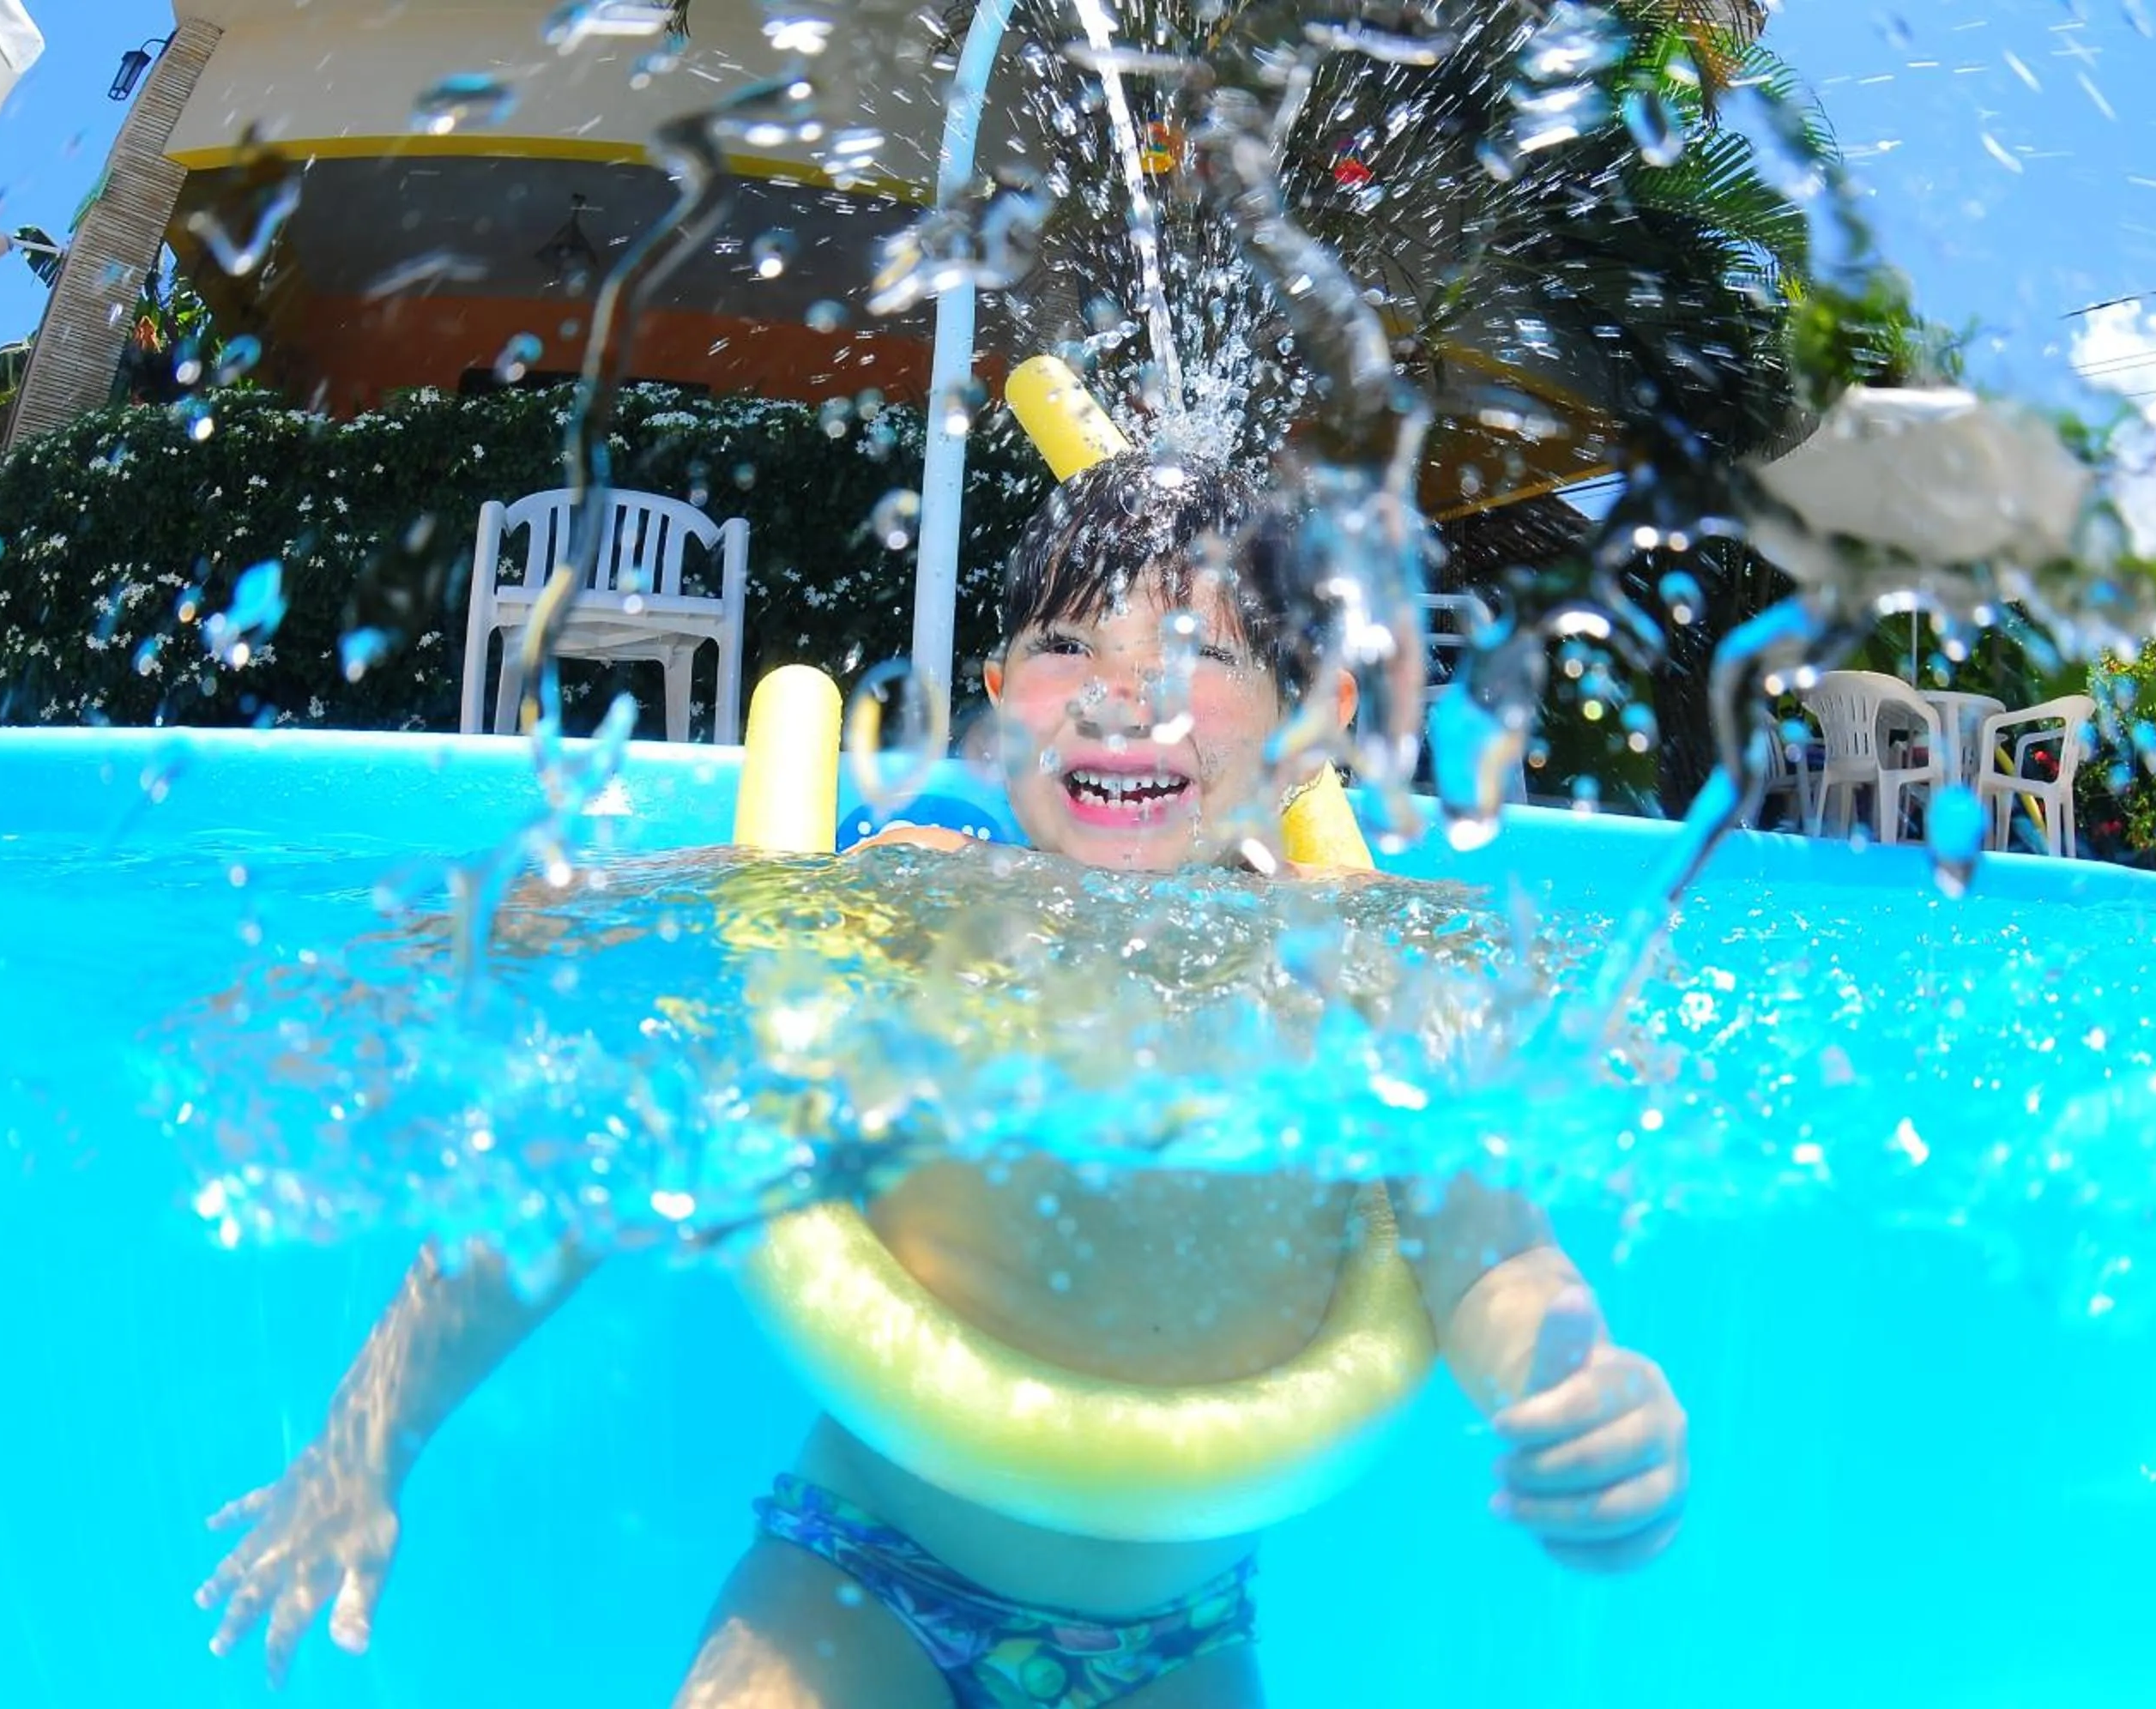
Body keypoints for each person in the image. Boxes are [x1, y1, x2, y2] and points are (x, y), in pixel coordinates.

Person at [198, 451, 1689, 1707]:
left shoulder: (1366, 974)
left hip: (1183, 1639)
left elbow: (1482, 1246)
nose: (1122, 701)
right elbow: (595, 1165)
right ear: (995, 702)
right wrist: (362, 1446)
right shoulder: (907, 907)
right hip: (863, 1577)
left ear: (1314, 734)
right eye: (1068, 651)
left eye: (1203, 656)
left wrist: (1582, 1390)